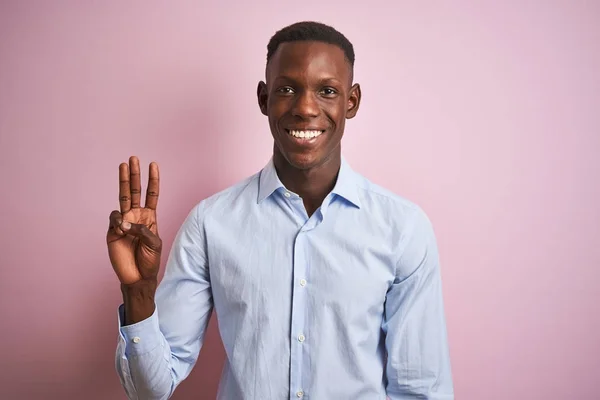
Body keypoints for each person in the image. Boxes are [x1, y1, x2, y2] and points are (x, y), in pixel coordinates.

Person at [107, 21, 454, 400]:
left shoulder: (403, 229)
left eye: (327, 91)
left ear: (350, 101)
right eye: (287, 89)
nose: (306, 108)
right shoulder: (210, 224)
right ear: (263, 98)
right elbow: (150, 390)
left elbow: (421, 390)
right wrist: (138, 293)